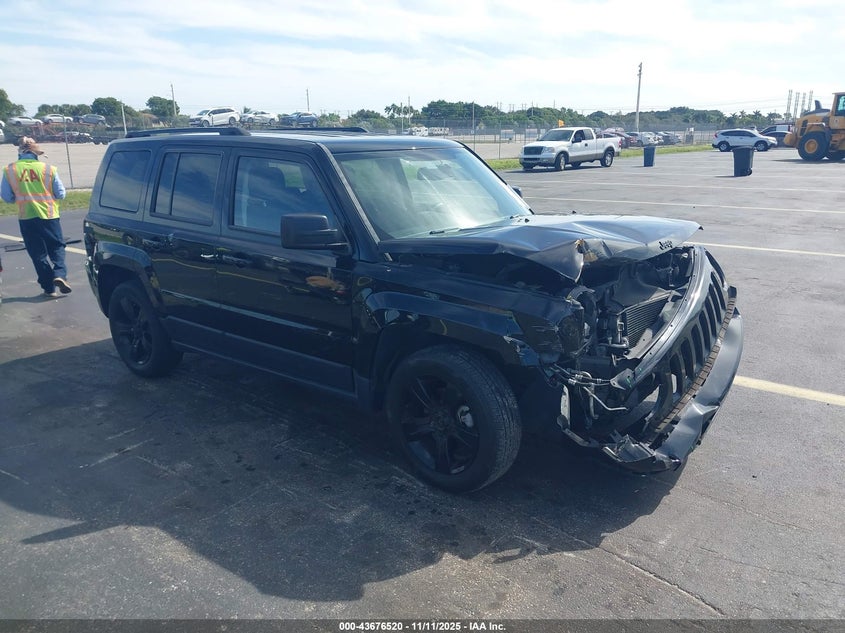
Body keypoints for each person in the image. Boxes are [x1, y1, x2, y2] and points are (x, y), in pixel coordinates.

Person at [1, 136, 71, 297]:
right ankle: (60, 274)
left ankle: (48, 288)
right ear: (36, 153)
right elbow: (61, 193)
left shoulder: (10, 170)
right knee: (57, 246)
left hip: (26, 217)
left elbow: (7, 196)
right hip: (49, 215)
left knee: (37, 253)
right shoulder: (48, 169)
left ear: (19, 152)